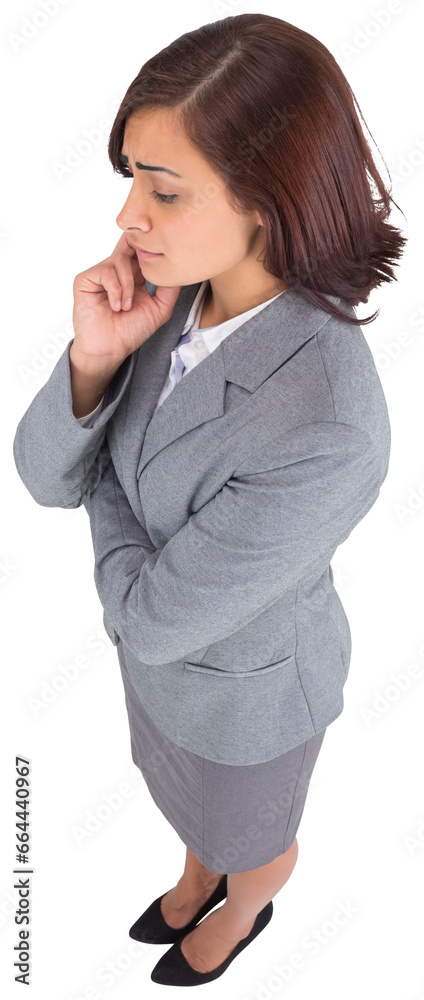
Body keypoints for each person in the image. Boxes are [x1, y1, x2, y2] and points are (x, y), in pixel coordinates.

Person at [13, 13, 406, 987]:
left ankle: (243, 905)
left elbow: (147, 618)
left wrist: (108, 498)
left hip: (250, 697)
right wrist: (95, 356)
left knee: (252, 832)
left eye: (163, 189)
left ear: (266, 201)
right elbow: (44, 474)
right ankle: (195, 878)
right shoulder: (168, 294)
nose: (125, 220)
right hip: (169, 683)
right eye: (131, 177)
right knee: (187, 809)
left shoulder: (331, 421)